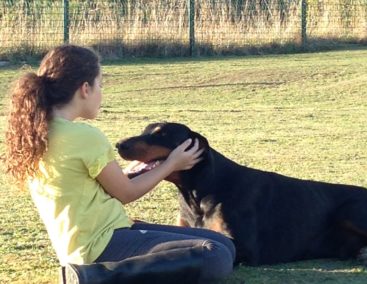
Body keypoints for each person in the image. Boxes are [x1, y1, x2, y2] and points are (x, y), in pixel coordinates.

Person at [5, 45, 235, 284]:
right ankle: (91, 277)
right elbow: (126, 192)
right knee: (216, 255)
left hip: (89, 238)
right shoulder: (84, 136)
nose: (100, 92)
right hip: (100, 243)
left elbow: (93, 184)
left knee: (224, 243)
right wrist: (171, 163)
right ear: (85, 89)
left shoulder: (38, 133)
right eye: (100, 84)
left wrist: (135, 171)